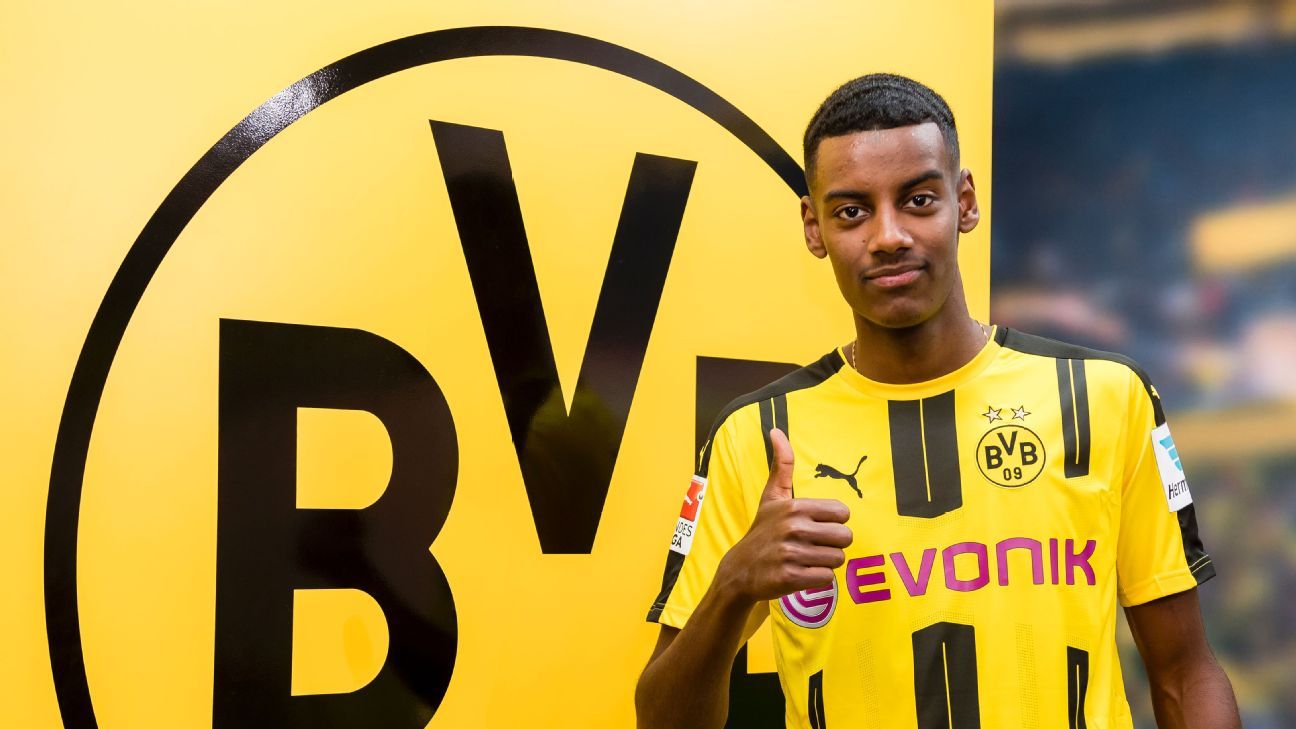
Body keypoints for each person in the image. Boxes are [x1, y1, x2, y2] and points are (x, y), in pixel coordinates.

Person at [634, 74, 1240, 729]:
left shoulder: (1105, 396)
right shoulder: (756, 435)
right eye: (852, 211)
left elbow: (1184, 672)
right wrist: (731, 588)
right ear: (814, 227)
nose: (888, 235)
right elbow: (663, 720)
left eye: (918, 200)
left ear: (965, 202)